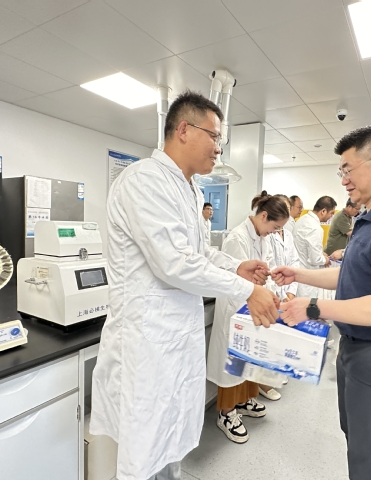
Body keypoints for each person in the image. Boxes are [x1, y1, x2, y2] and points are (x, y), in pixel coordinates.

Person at [90, 91, 279, 480]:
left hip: (175, 338)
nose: (219, 149)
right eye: (215, 137)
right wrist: (247, 291)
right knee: (145, 446)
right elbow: (174, 263)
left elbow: (197, 253)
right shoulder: (144, 180)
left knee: (169, 439)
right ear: (183, 130)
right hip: (146, 341)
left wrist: (236, 266)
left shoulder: (190, 189)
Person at [272, 126, 371, 480]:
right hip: (358, 349)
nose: (343, 180)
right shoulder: (370, 218)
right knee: (359, 444)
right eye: (340, 172)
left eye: (348, 169)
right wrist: (297, 274)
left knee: (370, 463)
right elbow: (349, 276)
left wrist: (313, 307)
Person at [207, 192, 290, 444]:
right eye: (274, 227)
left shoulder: (263, 237)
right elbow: (234, 279)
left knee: (250, 361)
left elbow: (266, 269)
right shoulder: (237, 238)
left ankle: (244, 401)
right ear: (264, 216)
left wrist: (274, 293)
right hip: (236, 309)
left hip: (254, 307)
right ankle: (226, 414)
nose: (274, 232)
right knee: (232, 363)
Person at [293, 195, 336, 298]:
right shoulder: (315, 228)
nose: (331, 217)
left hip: (299, 273)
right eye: (331, 213)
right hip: (307, 279)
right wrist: (325, 259)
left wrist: (320, 253)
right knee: (308, 306)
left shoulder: (302, 220)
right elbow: (315, 259)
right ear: (323, 211)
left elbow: (306, 247)